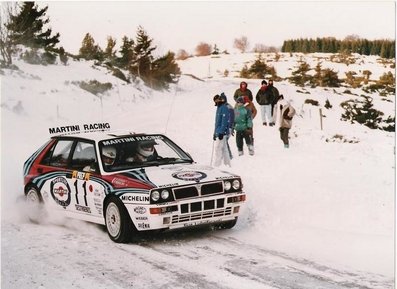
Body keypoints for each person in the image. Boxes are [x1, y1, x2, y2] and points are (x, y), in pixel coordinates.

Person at [213, 93, 232, 166]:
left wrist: (221, 132)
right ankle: (227, 164)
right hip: (218, 131)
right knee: (224, 149)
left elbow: (224, 121)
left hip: (221, 132)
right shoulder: (219, 108)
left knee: (218, 149)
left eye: (218, 99)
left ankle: (216, 165)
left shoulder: (224, 108)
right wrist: (215, 133)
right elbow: (217, 122)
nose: (216, 101)